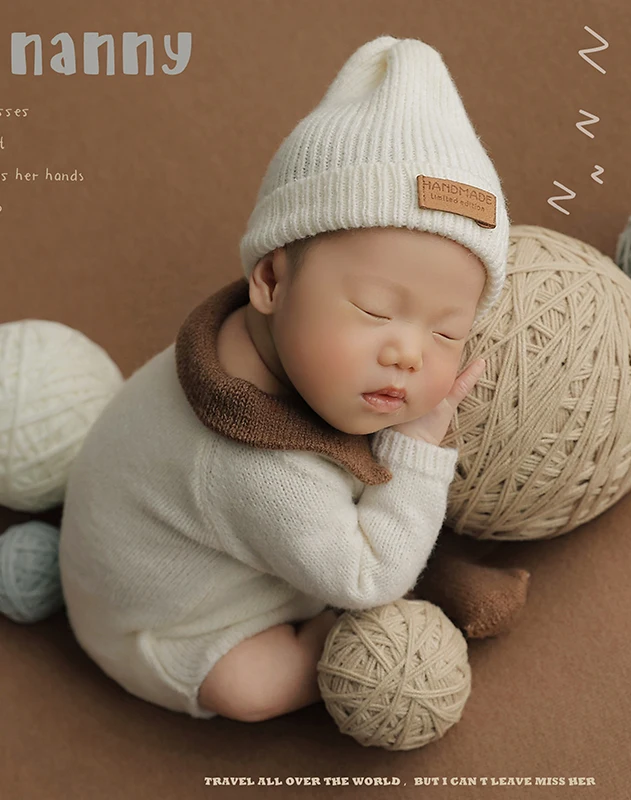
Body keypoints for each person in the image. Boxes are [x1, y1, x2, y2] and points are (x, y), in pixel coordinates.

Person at [58, 35, 510, 723]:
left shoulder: (268, 346)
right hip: (172, 620)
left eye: (448, 332)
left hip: (230, 539)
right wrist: (419, 445)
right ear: (270, 279)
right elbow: (367, 578)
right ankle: (335, 632)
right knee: (254, 689)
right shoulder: (250, 462)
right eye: (376, 310)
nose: (409, 354)